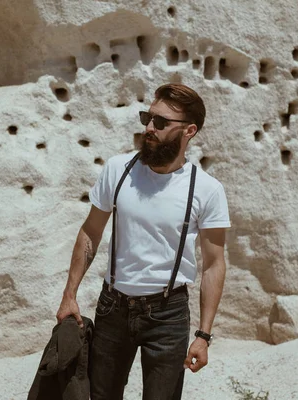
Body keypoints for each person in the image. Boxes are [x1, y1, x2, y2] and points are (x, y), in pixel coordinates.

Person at [56, 83, 231, 400]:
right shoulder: (118, 170)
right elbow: (90, 232)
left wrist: (203, 335)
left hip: (169, 313)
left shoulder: (206, 189)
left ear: (189, 131)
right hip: (113, 307)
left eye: (161, 122)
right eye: (147, 118)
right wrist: (69, 295)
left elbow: (214, 265)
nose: (149, 128)